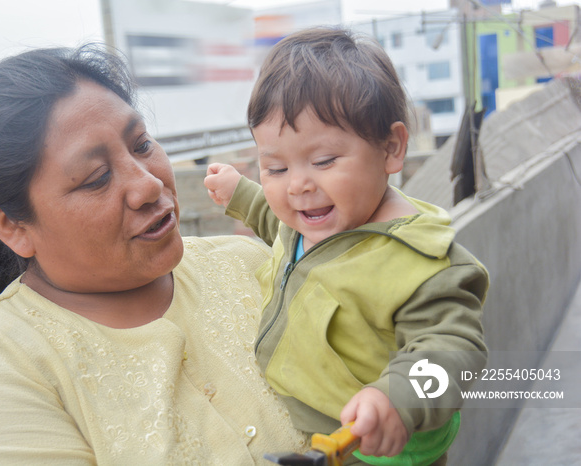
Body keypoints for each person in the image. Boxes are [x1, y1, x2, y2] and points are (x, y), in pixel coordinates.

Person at [0, 44, 311, 465]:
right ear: (13, 227)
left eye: (142, 144)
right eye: (96, 179)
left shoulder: (252, 264)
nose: (148, 183)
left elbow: (398, 359)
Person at [204, 27, 488, 465]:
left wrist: (399, 398)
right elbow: (274, 220)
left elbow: (451, 349)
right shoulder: (312, 219)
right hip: (306, 418)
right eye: (275, 167)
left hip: (371, 441)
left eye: (323, 161)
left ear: (391, 148)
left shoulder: (423, 264)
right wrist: (239, 193)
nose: (298, 185)